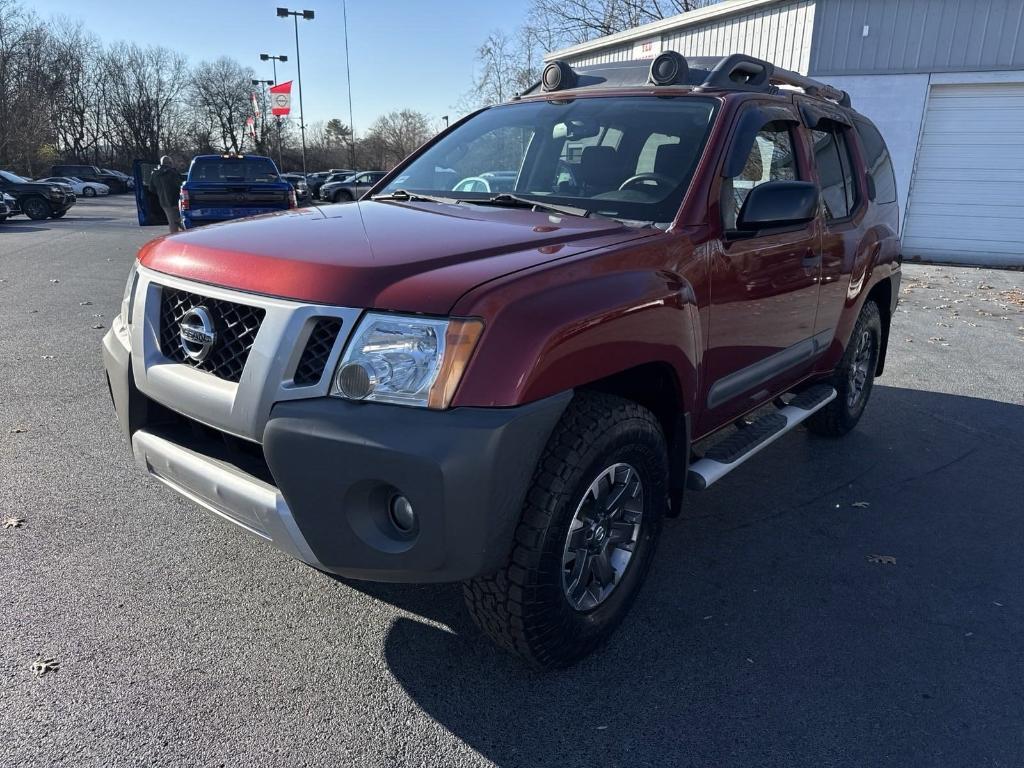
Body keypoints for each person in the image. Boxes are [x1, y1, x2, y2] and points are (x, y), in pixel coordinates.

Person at [148, 155, 183, 234]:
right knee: (179, 221)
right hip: (175, 201)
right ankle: (178, 239)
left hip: (163, 202)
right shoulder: (172, 173)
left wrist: (161, 193)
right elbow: (180, 186)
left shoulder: (154, 174)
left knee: (172, 221)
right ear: (170, 163)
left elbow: (151, 189)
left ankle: (175, 237)